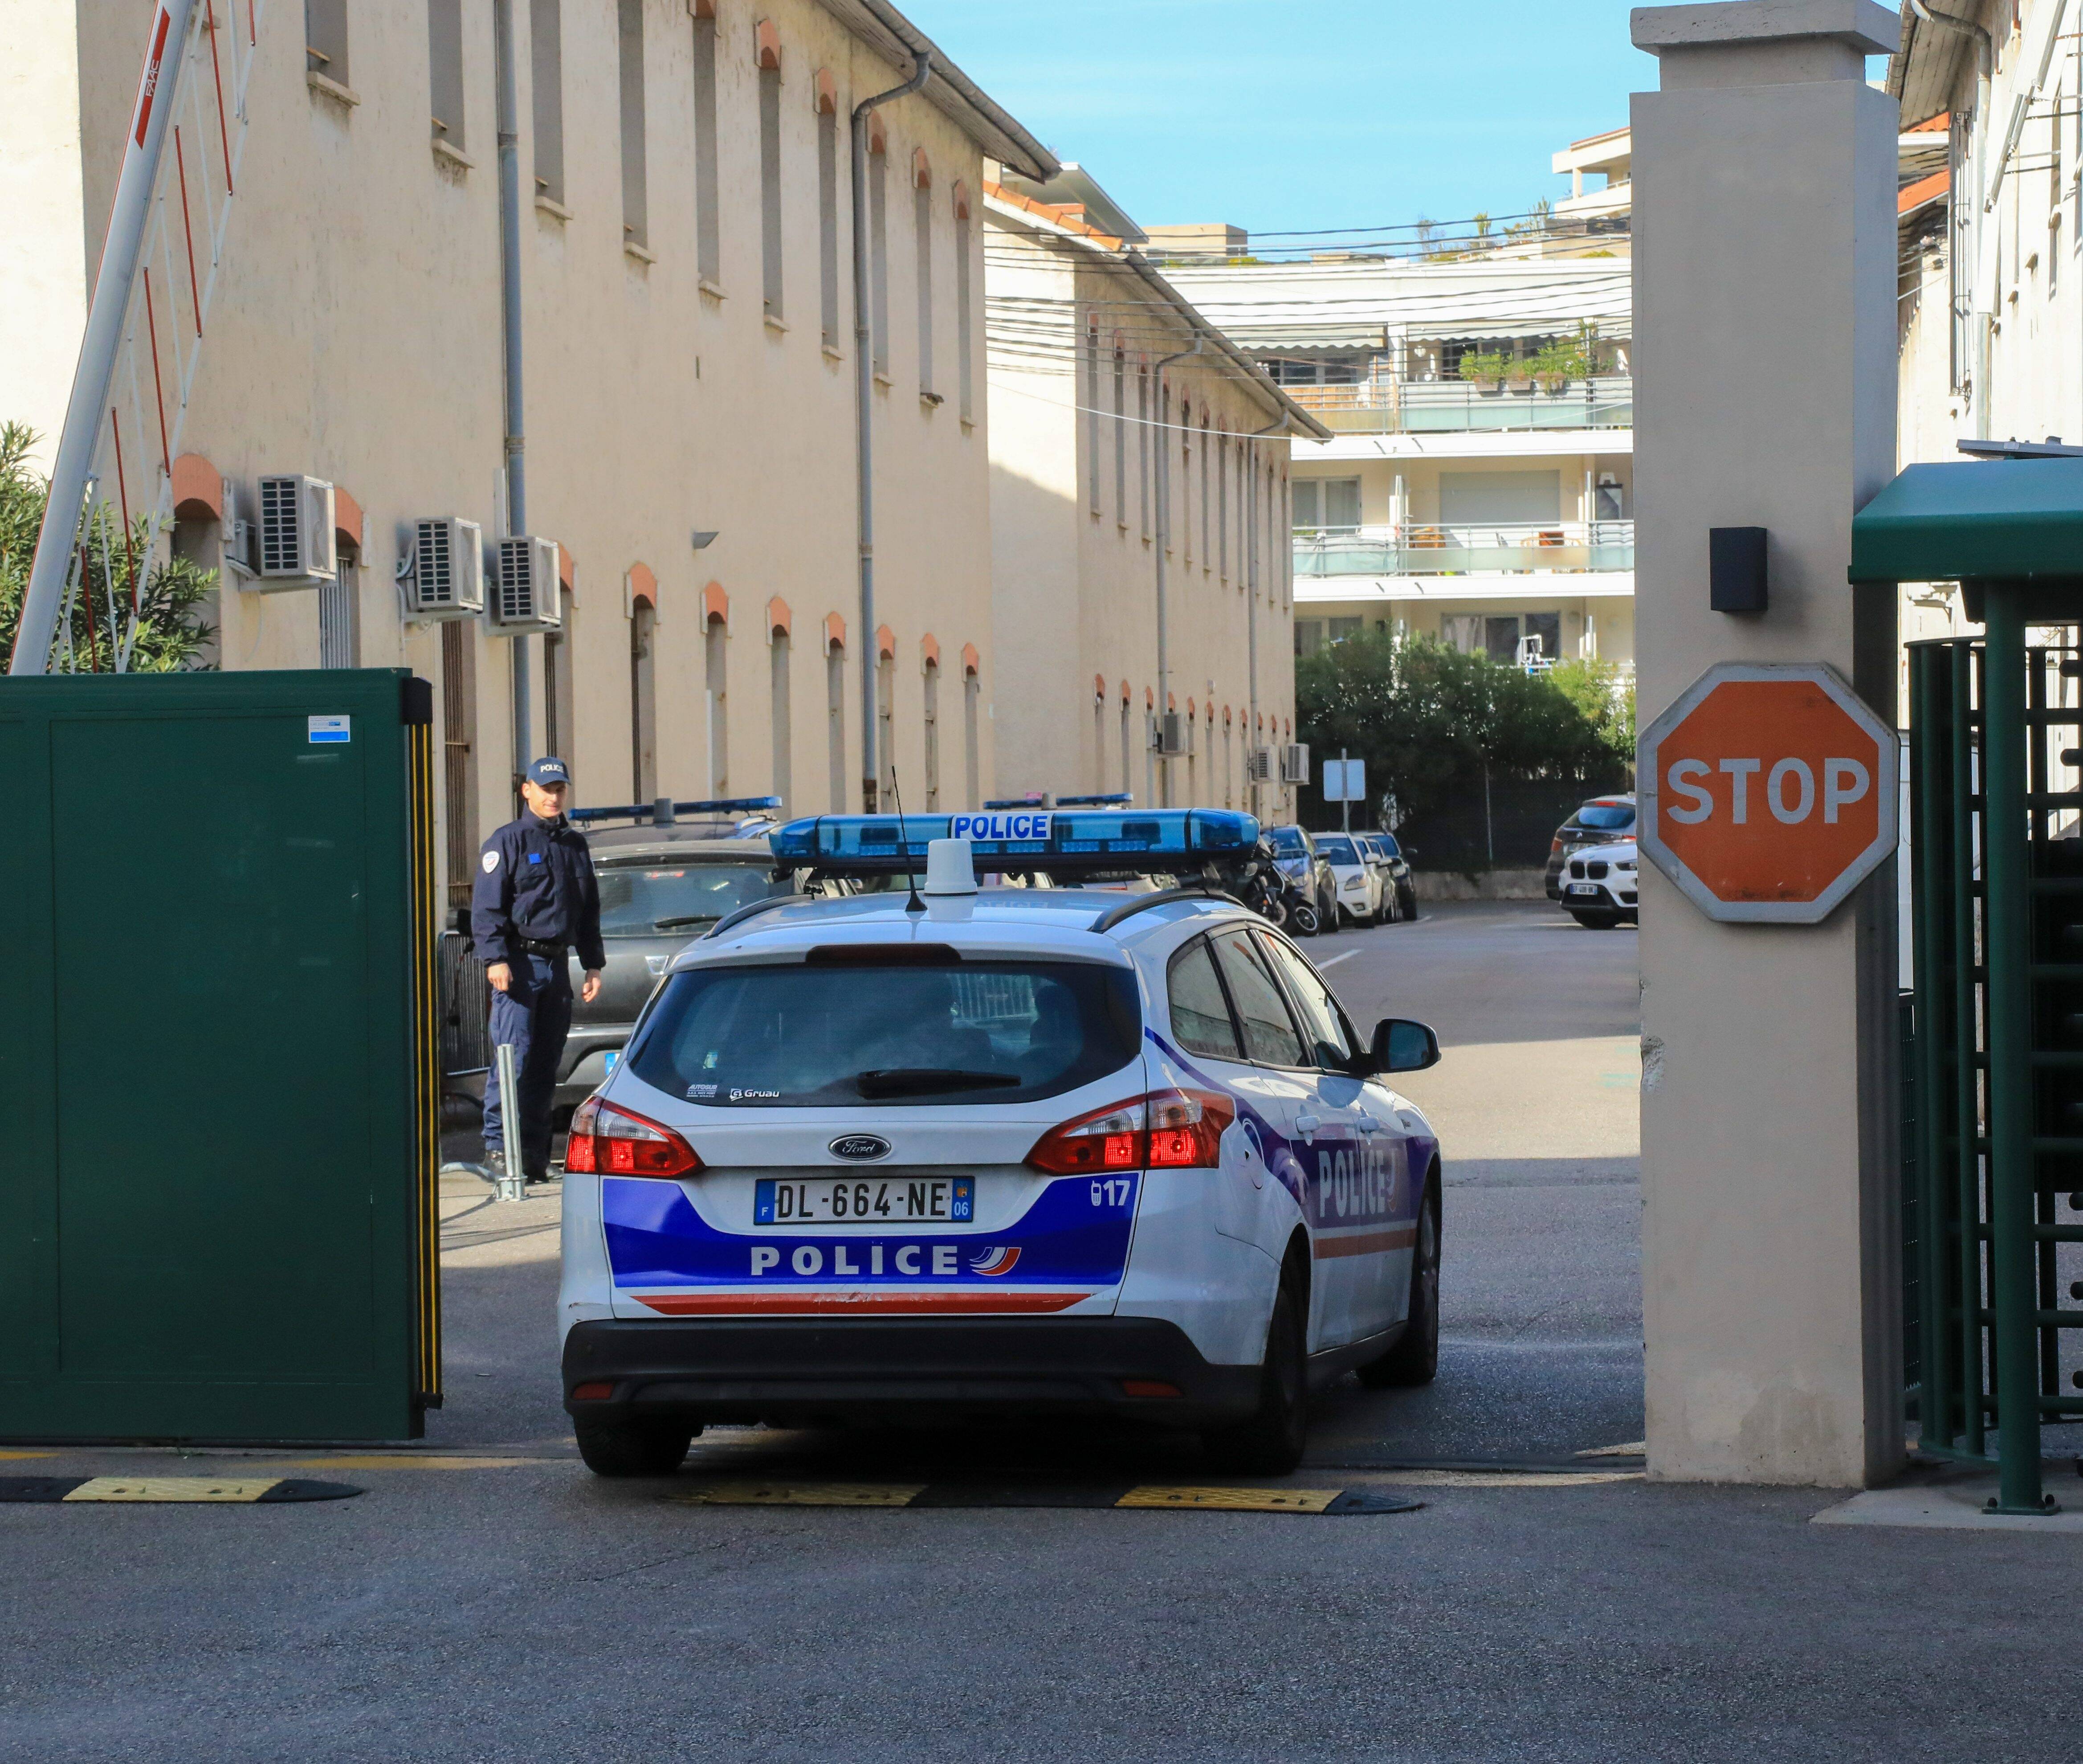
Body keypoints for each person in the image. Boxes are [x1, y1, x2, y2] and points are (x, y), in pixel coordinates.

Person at [472, 757, 604, 1183]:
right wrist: (494, 958)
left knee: (546, 1063)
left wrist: (593, 965)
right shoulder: (506, 842)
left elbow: (587, 911)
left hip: (557, 963)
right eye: (545, 789)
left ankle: (533, 1155)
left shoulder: (574, 845)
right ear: (526, 790)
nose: (553, 796)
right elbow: (488, 907)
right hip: (518, 963)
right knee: (513, 1059)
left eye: (559, 789)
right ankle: (498, 1149)